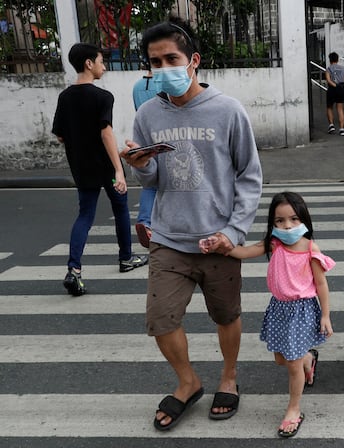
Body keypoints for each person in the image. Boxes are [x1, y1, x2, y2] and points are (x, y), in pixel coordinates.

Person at [120, 19, 263, 430]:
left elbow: (249, 176)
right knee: (160, 319)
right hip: (168, 238)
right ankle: (188, 382)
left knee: (225, 315)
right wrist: (142, 167)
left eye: (172, 59)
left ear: (193, 61)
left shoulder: (228, 110)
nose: (164, 68)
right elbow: (153, 179)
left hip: (218, 239)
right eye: (155, 62)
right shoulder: (148, 114)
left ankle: (229, 377)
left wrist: (233, 233)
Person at [200, 191, 334, 438]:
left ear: (304, 219)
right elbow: (244, 252)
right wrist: (221, 248)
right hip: (279, 309)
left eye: (293, 219)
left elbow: (322, 284)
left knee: (292, 366)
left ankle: (293, 409)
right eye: (280, 221)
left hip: (301, 311)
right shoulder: (274, 244)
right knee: (282, 359)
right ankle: (307, 359)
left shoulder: (310, 249)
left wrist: (325, 315)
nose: (287, 225)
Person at [52, 43, 148, 297]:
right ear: (88, 64)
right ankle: (126, 258)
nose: (104, 66)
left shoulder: (64, 97)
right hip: (105, 164)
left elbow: (61, 136)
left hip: (81, 167)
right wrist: (118, 170)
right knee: (120, 208)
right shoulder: (102, 97)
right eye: (101, 61)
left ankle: (74, 269)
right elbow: (106, 133)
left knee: (85, 215)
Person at [131, 66, 160, 248]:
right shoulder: (161, 86)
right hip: (165, 138)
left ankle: (145, 221)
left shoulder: (137, 87)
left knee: (149, 184)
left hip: (145, 138)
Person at [325, 51, 344, 136]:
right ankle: (342, 129)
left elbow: (328, 80)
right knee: (340, 109)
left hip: (332, 89)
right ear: (337, 59)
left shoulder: (329, 69)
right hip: (341, 88)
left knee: (329, 107)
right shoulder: (343, 68)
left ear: (330, 60)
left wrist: (335, 85)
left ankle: (331, 125)